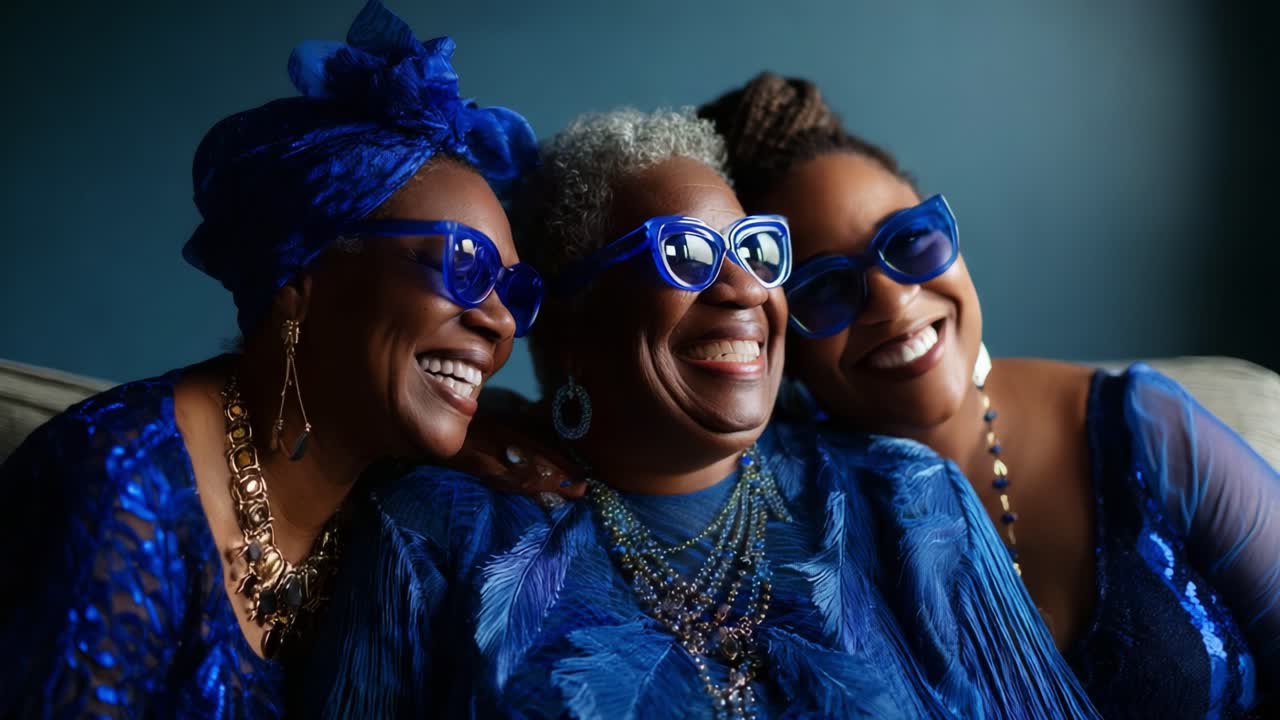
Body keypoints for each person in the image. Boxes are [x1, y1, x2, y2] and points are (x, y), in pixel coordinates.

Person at [294, 108, 1098, 719]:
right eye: (683, 254)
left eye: (756, 251)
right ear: (573, 327)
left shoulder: (910, 502)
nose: (744, 288)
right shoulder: (435, 534)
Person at [0, 2, 541, 716]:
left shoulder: (402, 508)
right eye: (463, 263)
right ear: (300, 278)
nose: (499, 321)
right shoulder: (116, 493)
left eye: (513, 290)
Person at [698, 72, 1278, 718]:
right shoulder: (779, 522)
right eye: (825, 287)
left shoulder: (1142, 427)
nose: (894, 300)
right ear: (781, 336)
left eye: (909, 240)